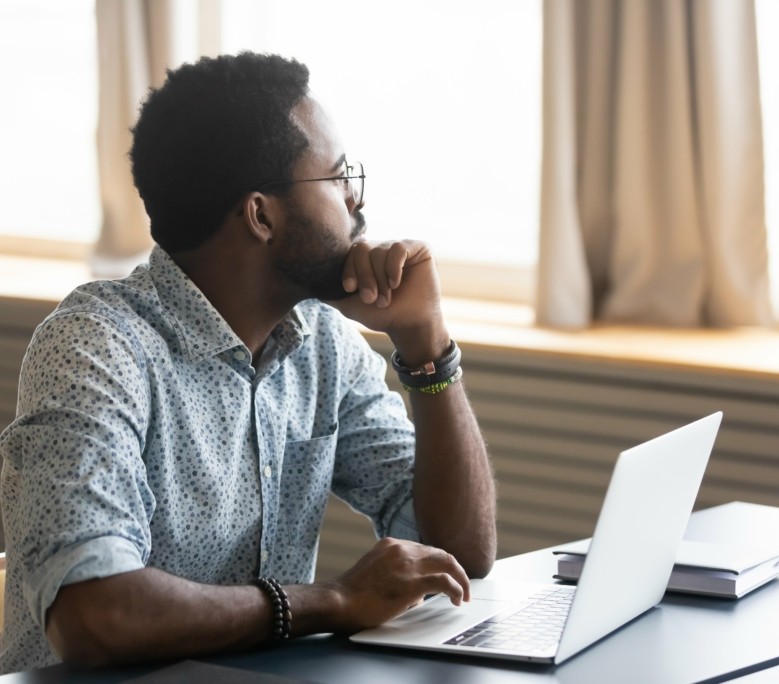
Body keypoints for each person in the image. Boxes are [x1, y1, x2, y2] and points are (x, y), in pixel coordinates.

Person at [0, 52, 496, 673]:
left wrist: (427, 345)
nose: (357, 203)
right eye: (338, 179)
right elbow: (97, 616)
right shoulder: (95, 348)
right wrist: (333, 601)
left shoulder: (320, 339)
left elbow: (457, 553)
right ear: (261, 215)